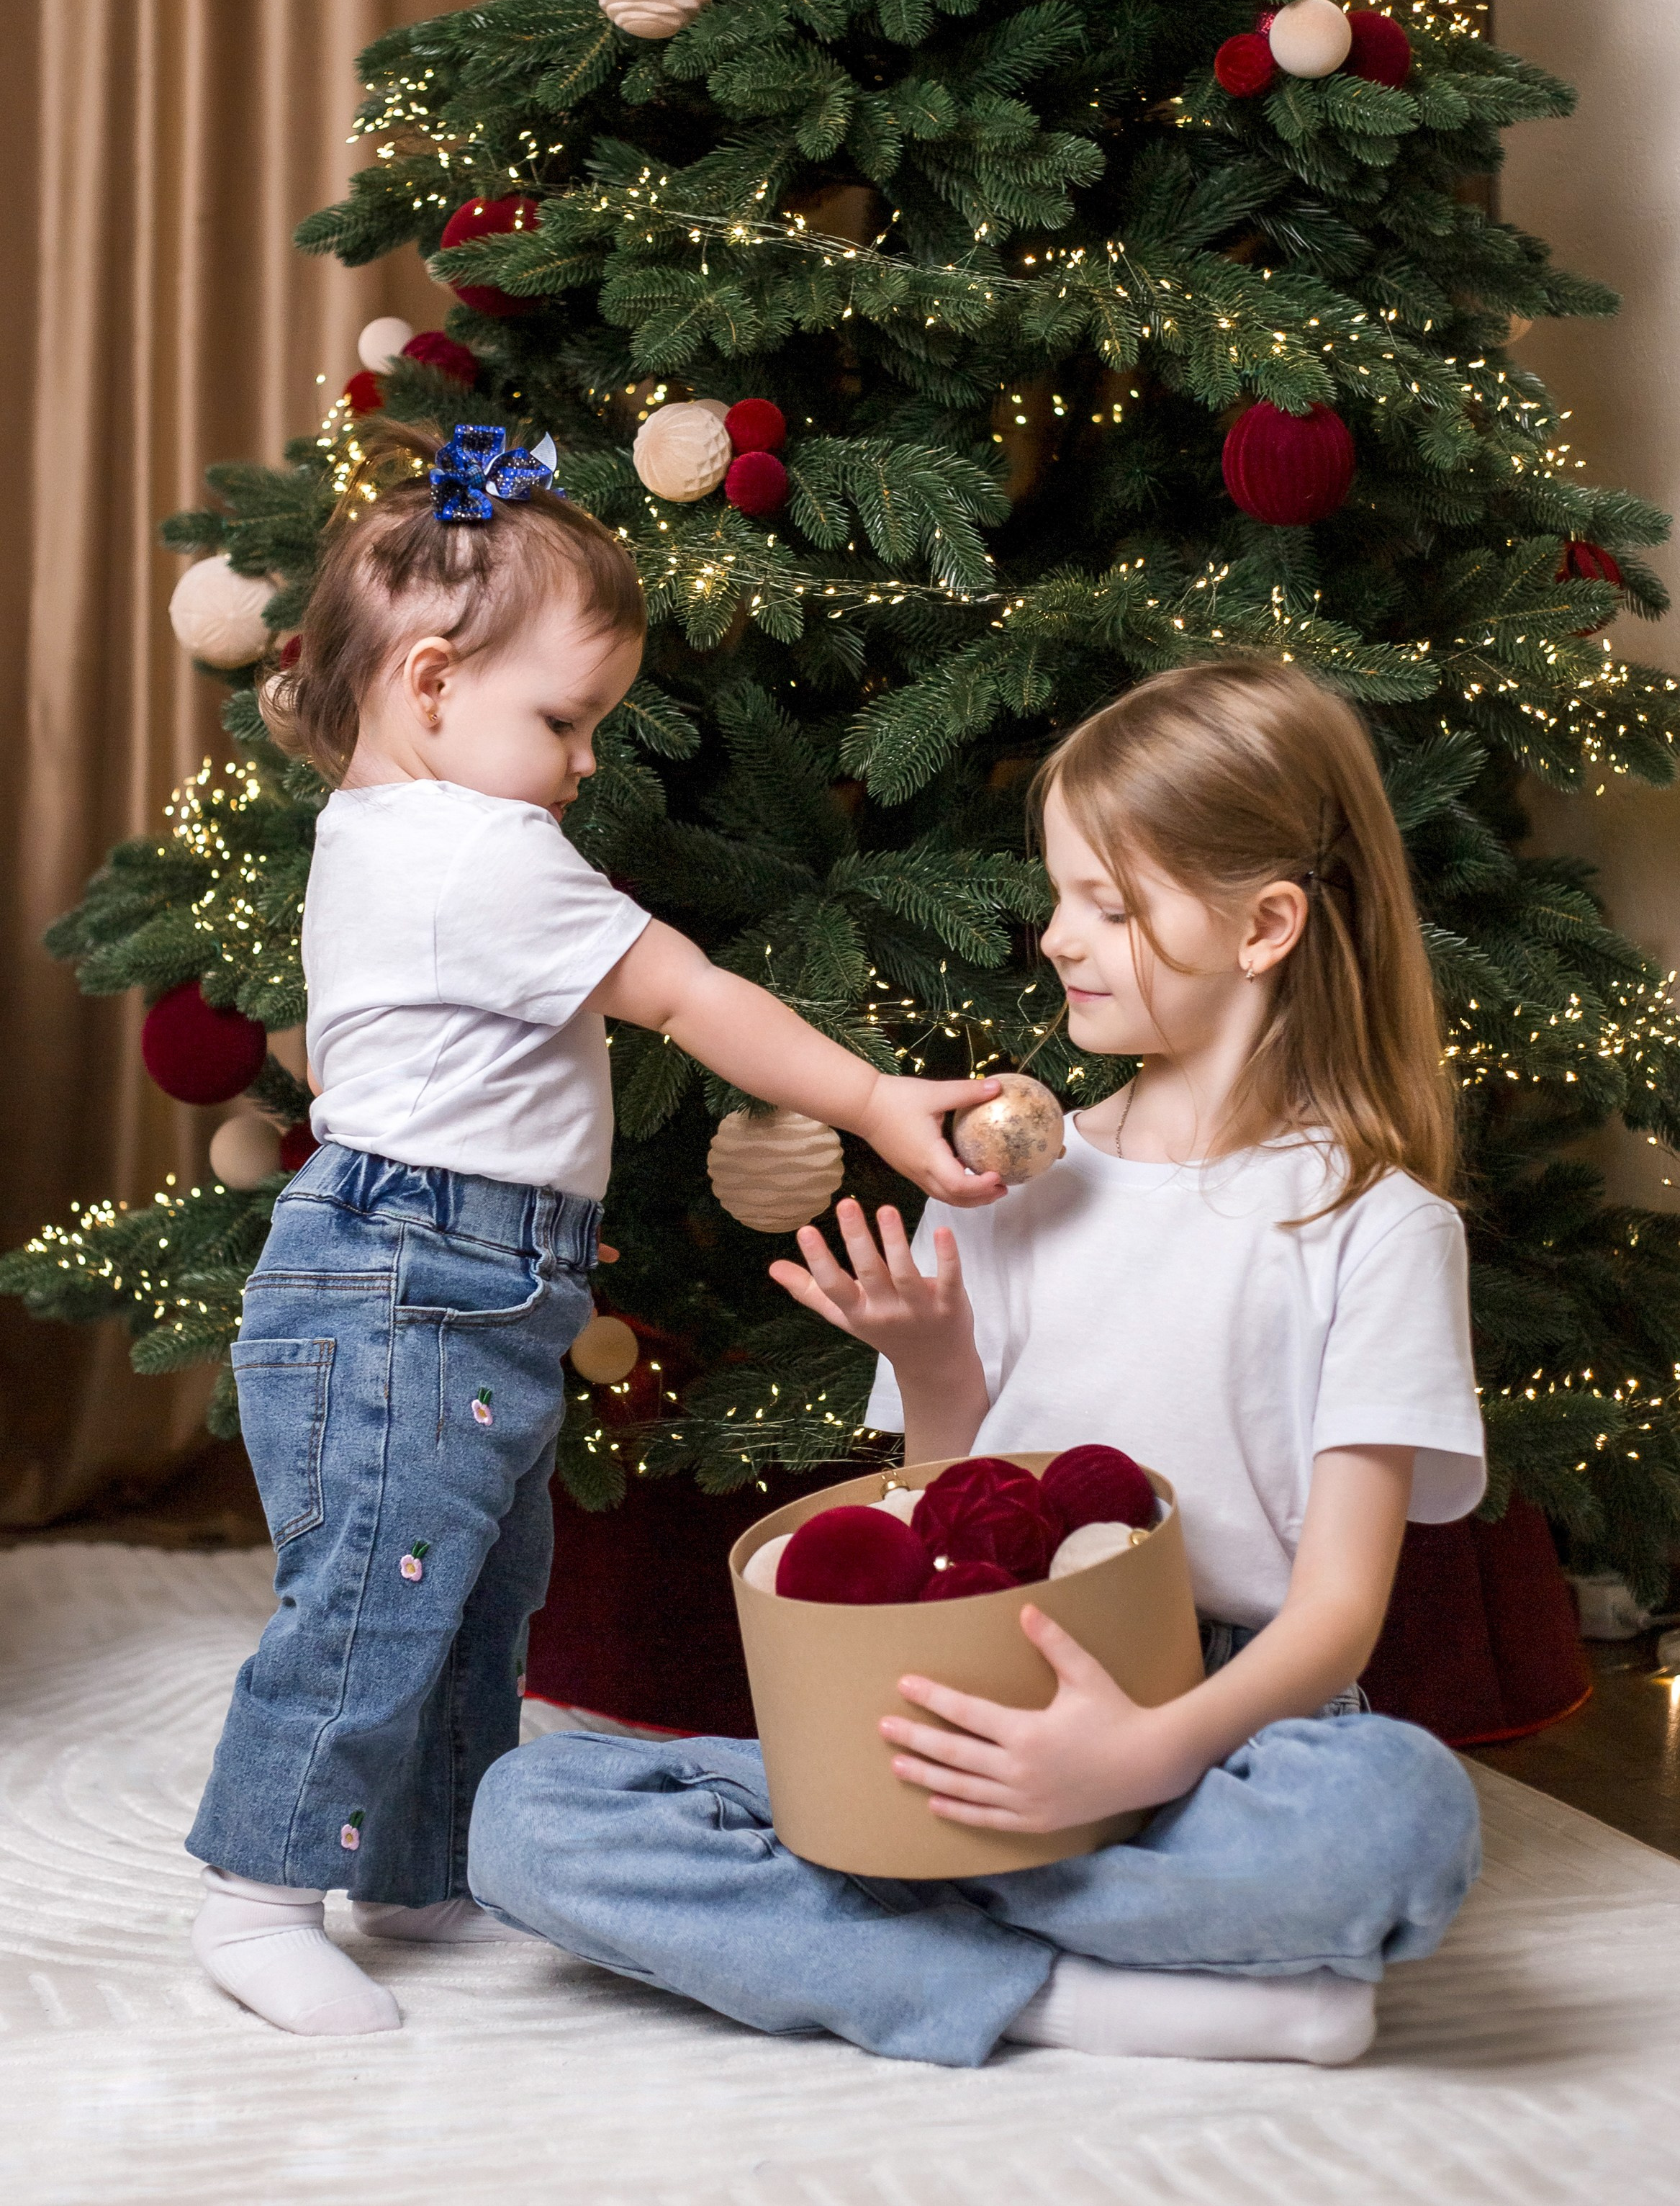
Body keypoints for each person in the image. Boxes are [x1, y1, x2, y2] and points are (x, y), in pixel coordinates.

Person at [469, 656, 1486, 2069]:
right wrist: (937, 1373)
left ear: (1267, 926)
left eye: (1112, 906)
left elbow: (1338, 1615)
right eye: (1062, 892)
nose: (1060, 937)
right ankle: (1092, 1990)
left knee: (1401, 1817)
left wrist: (1138, 1754)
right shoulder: (1012, 1176)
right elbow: (945, 1527)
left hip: (1222, 1725)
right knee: (529, 1819)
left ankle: (914, 1927)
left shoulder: (1374, 1223)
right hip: (979, 1685)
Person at [186, 420, 1005, 2038]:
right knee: (375, 1590)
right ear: (428, 685)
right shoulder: (479, 853)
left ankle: (420, 1860)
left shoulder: (385, 826)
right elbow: (692, 995)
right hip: (408, 1282)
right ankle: (256, 1888)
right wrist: (876, 1098)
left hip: (452, 1280)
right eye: (564, 722)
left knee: (473, 1587)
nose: (581, 766)